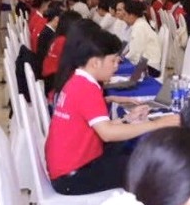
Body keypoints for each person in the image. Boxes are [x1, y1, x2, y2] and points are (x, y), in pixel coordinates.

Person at [46, 22, 179, 195]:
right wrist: (158, 124)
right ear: (95, 63)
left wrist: (127, 119)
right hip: (73, 176)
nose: (117, 65)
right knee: (145, 167)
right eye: (113, 60)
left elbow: (96, 126)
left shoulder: (77, 81)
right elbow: (107, 134)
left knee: (130, 152)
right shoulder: (86, 88)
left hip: (69, 166)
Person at [121, 0, 163, 76]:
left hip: (150, 67)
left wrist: (121, 59)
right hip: (147, 64)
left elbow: (135, 53)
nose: (123, 18)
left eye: (125, 15)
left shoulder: (139, 27)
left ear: (132, 15)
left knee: (117, 69)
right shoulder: (140, 24)